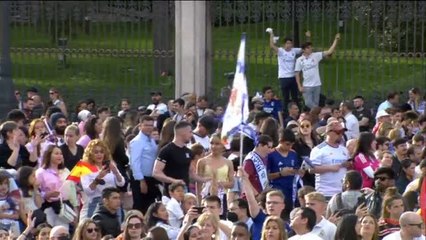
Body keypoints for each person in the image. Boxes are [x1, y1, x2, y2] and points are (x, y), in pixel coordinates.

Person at [79, 140, 125, 220]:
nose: (99, 154)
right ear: (90, 154)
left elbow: (121, 183)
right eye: (96, 152)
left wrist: (116, 172)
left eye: (101, 152)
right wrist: (98, 178)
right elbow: (88, 191)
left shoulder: (110, 164)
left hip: (113, 201)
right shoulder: (85, 168)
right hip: (97, 202)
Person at [267, 28, 310, 112]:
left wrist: (308, 38)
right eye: (287, 43)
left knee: (295, 97)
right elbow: (272, 46)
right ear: (284, 44)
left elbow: (305, 48)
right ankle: (286, 113)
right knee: (285, 97)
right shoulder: (281, 51)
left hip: (293, 77)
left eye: (290, 43)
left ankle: (298, 112)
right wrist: (271, 34)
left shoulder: (294, 50)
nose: (289, 45)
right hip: (283, 77)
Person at [295, 33, 341, 109]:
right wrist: (299, 86)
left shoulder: (316, 55)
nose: (311, 49)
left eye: (311, 47)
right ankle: (319, 111)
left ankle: (315, 116)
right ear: (304, 50)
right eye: (308, 48)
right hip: (306, 85)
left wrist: (336, 40)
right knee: (308, 103)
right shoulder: (299, 60)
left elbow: (329, 52)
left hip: (317, 84)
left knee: (315, 103)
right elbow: (297, 73)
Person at [239, 166, 286, 240]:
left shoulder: (286, 226)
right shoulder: (259, 217)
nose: (271, 205)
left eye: (275, 203)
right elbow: (250, 198)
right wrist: (244, 178)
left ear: (283, 205)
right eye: (268, 203)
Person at [36, 145, 77, 229]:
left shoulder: (66, 171)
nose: (60, 156)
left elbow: (72, 191)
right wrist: (47, 194)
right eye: (56, 153)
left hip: (65, 208)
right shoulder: (40, 173)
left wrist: (75, 208)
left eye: (61, 154)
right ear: (49, 155)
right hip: (49, 207)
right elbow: (36, 192)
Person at [310, 121, 350, 199]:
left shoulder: (344, 150)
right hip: (326, 192)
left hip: (342, 192)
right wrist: (331, 168)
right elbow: (311, 169)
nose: (340, 135)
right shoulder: (319, 149)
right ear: (328, 132)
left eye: (342, 132)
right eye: (338, 132)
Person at [129, 115, 161, 213]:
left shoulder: (151, 140)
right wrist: (141, 181)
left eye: (151, 125)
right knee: (140, 206)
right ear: (140, 125)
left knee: (150, 207)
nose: (149, 128)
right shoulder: (137, 141)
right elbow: (134, 163)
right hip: (141, 179)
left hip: (151, 178)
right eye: (146, 125)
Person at [153, 121, 194, 194]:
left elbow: (191, 174)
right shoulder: (166, 150)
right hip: (171, 193)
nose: (192, 135)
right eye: (190, 132)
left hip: (185, 192)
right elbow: (156, 173)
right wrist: (174, 181)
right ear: (182, 133)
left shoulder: (189, 151)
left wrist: (207, 179)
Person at [267, 129, 300, 212]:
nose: (290, 147)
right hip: (277, 190)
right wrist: (280, 174)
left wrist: (299, 171)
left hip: (292, 191)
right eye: (287, 144)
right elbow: (265, 176)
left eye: (292, 145)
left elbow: (296, 170)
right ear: (280, 141)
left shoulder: (293, 154)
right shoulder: (271, 154)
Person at [196, 134, 234, 205]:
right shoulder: (202, 161)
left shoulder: (228, 162)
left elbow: (232, 183)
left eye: (217, 144)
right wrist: (199, 203)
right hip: (206, 198)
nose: (213, 146)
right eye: (211, 143)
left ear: (223, 145)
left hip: (222, 198)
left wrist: (222, 184)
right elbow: (198, 184)